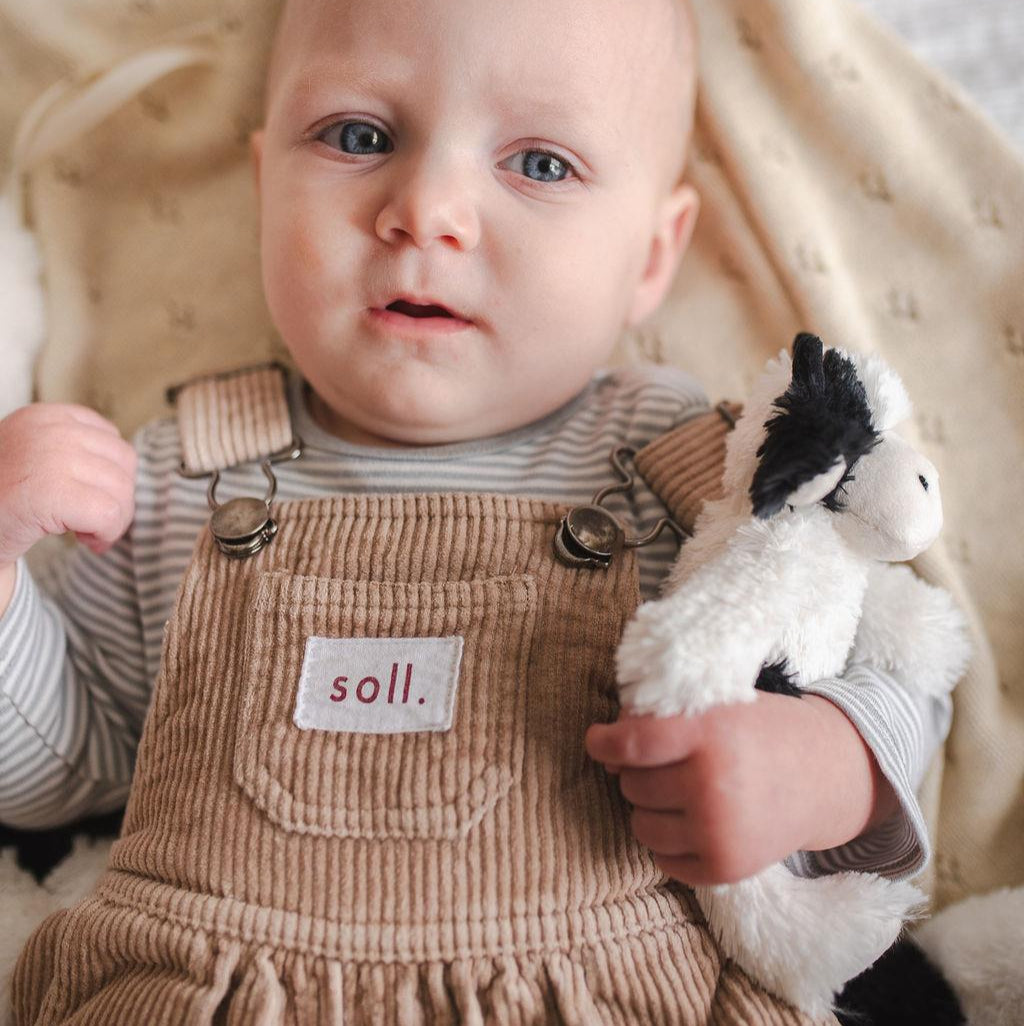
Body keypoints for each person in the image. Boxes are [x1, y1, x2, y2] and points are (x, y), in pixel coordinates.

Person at [1, 0, 950, 1021]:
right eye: (358, 137)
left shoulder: (691, 469)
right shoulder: (179, 473)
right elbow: (60, 776)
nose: (427, 209)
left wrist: (822, 767)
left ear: (649, 257)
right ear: (265, 186)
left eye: (540, 164)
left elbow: (889, 660)